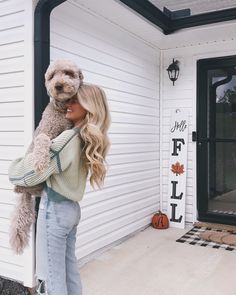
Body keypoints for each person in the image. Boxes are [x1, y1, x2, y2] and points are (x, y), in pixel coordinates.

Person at [8, 84, 111, 295]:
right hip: (71, 210)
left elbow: (27, 174)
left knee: (51, 279)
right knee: (68, 271)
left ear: (90, 107)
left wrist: (15, 166)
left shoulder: (68, 139)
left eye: (75, 100)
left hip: (54, 211)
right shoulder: (87, 138)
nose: (68, 104)